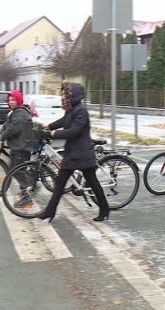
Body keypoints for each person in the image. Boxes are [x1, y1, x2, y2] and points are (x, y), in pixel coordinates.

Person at [37, 81, 109, 222]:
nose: (62, 96)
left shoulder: (81, 110)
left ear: (73, 96)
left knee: (93, 183)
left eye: (65, 94)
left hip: (82, 153)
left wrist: (54, 134)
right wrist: (49, 126)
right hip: (72, 153)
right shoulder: (72, 110)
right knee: (60, 184)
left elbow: (74, 131)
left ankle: (104, 210)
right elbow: (64, 121)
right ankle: (50, 211)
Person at [0, 89, 34, 207]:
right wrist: (1, 129)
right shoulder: (15, 112)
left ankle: (27, 197)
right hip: (17, 146)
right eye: (9, 100)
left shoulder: (20, 113)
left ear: (18, 100)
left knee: (18, 171)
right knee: (13, 170)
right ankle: (32, 183)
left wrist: (4, 135)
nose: (11, 102)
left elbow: (14, 127)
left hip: (22, 147)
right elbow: (8, 123)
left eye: (13, 99)